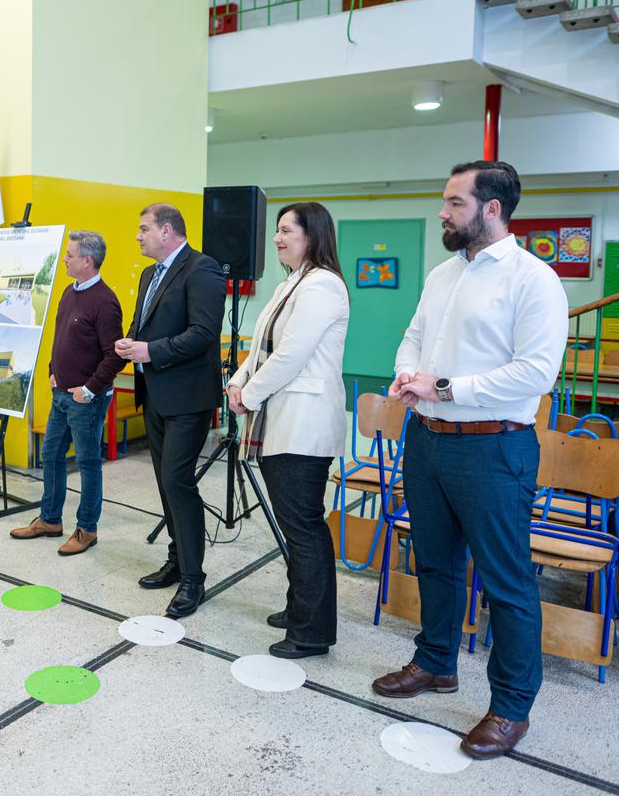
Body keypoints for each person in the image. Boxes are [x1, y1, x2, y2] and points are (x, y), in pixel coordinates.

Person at [372, 161, 567, 760]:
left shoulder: (534, 280)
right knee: (433, 561)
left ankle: (511, 707)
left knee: (507, 584)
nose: (442, 212)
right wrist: (410, 373)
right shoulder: (442, 274)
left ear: (492, 209)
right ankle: (435, 664)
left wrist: (447, 386)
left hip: (494, 446)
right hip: (427, 440)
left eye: (454, 202)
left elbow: (537, 373)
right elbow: (414, 334)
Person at [225, 202, 349, 659]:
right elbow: (261, 348)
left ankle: (311, 631)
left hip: (304, 422)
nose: (276, 239)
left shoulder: (322, 286)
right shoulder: (291, 283)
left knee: (303, 528)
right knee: (295, 524)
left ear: (312, 237)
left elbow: (292, 355)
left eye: (285, 231)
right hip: (282, 416)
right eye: (276, 231)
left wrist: (250, 395)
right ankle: (300, 608)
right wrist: (238, 383)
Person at [116, 203, 226, 618]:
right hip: (155, 394)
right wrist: (131, 342)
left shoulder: (203, 269)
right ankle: (177, 560)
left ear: (167, 231)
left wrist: (150, 351)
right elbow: (144, 324)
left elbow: (203, 333)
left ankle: (193, 579)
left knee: (178, 482)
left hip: (188, 398)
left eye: (144, 229)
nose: (138, 236)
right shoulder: (149, 273)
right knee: (165, 483)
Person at [11, 231, 125, 555]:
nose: (65, 259)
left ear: (87, 261)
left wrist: (88, 391)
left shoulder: (105, 301)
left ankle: (87, 529)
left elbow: (113, 356)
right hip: (60, 394)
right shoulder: (67, 291)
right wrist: (51, 369)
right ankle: (50, 519)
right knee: (50, 454)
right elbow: (61, 336)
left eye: (70, 255)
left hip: (85, 400)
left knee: (88, 464)